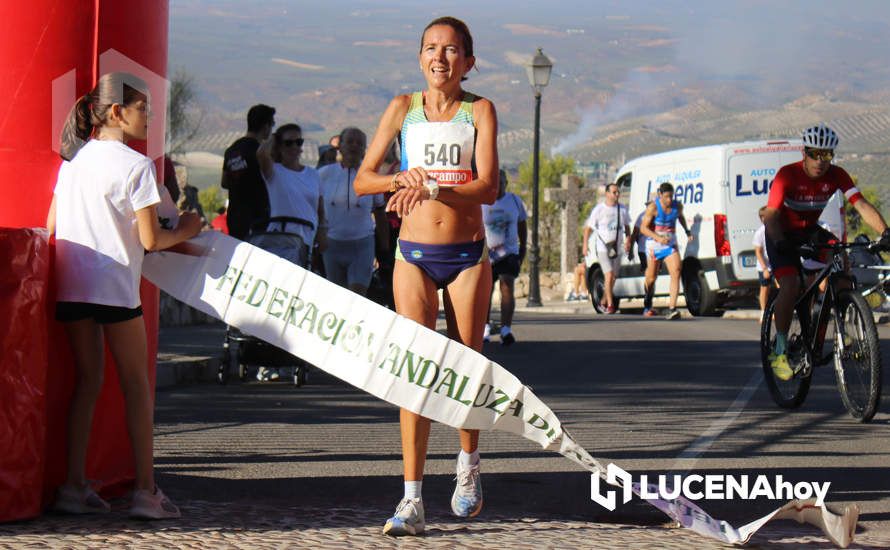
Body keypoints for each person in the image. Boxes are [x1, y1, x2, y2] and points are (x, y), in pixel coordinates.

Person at [354, 16, 497, 537]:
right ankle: (411, 498)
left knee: (464, 366)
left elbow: (488, 188)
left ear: (469, 62)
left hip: (466, 256)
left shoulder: (480, 110)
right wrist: (401, 176)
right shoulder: (402, 108)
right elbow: (362, 180)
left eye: (453, 50)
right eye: (432, 48)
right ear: (419, 58)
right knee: (415, 371)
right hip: (412, 254)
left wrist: (435, 189)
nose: (441, 57)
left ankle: (468, 463)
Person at [47, 72, 203, 519]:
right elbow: (153, 240)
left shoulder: (72, 163)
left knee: (87, 383)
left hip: (72, 286)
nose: (149, 118)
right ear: (117, 111)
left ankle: (73, 487)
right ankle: (146, 492)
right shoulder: (137, 168)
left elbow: (54, 223)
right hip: (115, 289)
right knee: (137, 388)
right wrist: (190, 226)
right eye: (144, 109)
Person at [764, 124, 890, 380]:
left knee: (841, 265)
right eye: (815, 154)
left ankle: (843, 327)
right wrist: (779, 241)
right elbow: (772, 214)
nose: (820, 161)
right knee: (790, 284)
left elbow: (861, 204)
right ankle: (779, 350)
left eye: (827, 155)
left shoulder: (836, 175)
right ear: (804, 152)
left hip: (809, 230)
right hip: (781, 233)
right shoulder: (786, 175)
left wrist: (886, 232)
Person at [256, 122, 326, 381]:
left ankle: (293, 356)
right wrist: (270, 140)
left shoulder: (311, 175)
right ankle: (270, 358)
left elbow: (319, 206)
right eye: (289, 143)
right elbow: (261, 156)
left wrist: (323, 231)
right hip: (280, 242)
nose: (295, 148)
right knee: (277, 301)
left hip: (306, 242)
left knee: (300, 302)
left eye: (299, 142)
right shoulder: (274, 172)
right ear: (280, 146)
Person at [318, 127, 388, 296]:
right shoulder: (323, 174)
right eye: (349, 142)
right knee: (337, 297)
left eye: (359, 143)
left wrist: (384, 249)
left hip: (362, 245)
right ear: (340, 146)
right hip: (332, 245)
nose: (354, 146)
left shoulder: (372, 177)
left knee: (357, 297)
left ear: (364, 149)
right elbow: (315, 209)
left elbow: (380, 213)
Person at [482, 169, 527, 344]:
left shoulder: (514, 201)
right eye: (494, 182)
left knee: (507, 287)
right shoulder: (482, 202)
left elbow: (522, 224)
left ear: (505, 184)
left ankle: (505, 329)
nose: (498, 186)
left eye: (500, 182)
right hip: (486, 254)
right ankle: (485, 328)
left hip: (508, 253)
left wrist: (523, 247)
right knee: (485, 291)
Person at [639, 182, 693, 319]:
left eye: (671, 196)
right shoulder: (653, 208)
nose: (669, 200)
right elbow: (643, 228)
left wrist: (687, 231)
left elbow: (680, 217)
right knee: (651, 278)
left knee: (676, 271)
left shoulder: (677, 206)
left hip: (670, 245)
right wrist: (658, 238)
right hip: (654, 245)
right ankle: (647, 299)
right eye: (667, 197)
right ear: (660, 195)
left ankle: (672, 308)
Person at [222, 104, 275, 240]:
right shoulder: (260, 152)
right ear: (266, 126)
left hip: (235, 218)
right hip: (257, 220)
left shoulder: (232, 150)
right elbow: (270, 177)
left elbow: (224, 182)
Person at [583, 183, 631, 313]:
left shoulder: (622, 209)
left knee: (613, 277)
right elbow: (588, 229)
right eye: (614, 192)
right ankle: (610, 305)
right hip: (603, 247)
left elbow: (627, 226)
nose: (617, 195)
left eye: (618, 192)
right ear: (607, 194)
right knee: (609, 276)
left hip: (617, 247)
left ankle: (603, 300)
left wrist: (628, 240)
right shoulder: (599, 210)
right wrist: (585, 244)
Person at [752, 206, 771, 315]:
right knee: (765, 288)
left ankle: (778, 309)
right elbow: (758, 252)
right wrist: (764, 269)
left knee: (782, 286)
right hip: (764, 266)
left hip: (775, 264)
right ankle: (764, 312)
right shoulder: (760, 233)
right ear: (762, 218)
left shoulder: (775, 229)